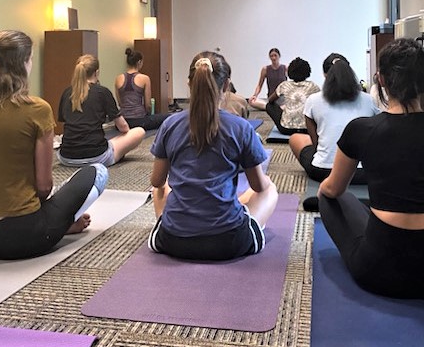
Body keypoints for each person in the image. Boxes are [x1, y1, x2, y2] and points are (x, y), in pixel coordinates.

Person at [317, 38, 424, 301]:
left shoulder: (360, 129)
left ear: (381, 80)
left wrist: (323, 188)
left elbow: (333, 190)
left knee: (330, 197)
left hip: (376, 272)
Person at [0, 30, 107, 260]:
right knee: (98, 172)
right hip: (22, 236)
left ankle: (56, 224)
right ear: (25, 63)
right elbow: (44, 188)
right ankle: (60, 226)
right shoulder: (37, 109)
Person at [148, 51, 279, 261]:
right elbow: (258, 187)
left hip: (173, 241)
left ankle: (173, 223)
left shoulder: (169, 125)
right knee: (270, 188)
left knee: (160, 188)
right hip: (228, 242)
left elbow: (156, 181)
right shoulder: (241, 129)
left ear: (189, 83)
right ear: (227, 85)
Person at [289, 54, 380, 211]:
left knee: (296, 138)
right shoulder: (368, 100)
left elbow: (315, 142)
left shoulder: (313, 100)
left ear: (325, 75)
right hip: (363, 173)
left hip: (324, 172)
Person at [58, 54, 145, 167]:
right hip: (96, 156)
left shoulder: (66, 93)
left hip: (66, 157)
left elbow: (64, 124)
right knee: (139, 132)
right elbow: (123, 127)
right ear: (96, 72)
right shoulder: (102, 92)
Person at [114, 48, 170, 131]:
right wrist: (150, 114)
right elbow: (148, 105)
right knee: (168, 117)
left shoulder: (118, 78)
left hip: (122, 121)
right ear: (139, 62)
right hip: (139, 121)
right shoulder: (145, 78)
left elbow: (120, 102)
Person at [266, 57, 320, 135]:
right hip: (308, 129)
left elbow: (270, 100)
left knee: (269, 106)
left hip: (286, 129)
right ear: (308, 71)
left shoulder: (284, 85)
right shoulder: (313, 86)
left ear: (290, 72)